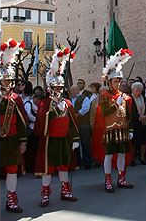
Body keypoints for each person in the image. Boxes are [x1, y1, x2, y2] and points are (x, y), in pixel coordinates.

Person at [34, 47, 81, 207]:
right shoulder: (45, 103)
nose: (59, 90)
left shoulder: (67, 103)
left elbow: (74, 123)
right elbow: (40, 123)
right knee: (47, 169)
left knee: (63, 166)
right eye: (56, 88)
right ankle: (45, 193)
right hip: (49, 141)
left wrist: (75, 139)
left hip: (64, 140)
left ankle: (65, 191)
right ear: (50, 88)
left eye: (60, 88)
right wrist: (54, 110)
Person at [90, 49, 135, 192]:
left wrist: (131, 129)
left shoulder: (124, 97)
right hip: (110, 130)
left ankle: (121, 178)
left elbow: (128, 115)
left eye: (119, 81)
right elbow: (104, 112)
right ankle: (108, 179)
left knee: (122, 154)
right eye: (116, 81)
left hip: (123, 129)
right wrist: (116, 103)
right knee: (108, 155)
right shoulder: (104, 97)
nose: (118, 84)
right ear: (110, 82)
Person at [0, 39, 28, 213]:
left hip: (11, 140)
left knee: (12, 170)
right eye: (5, 80)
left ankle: (11, 200)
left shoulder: (16, 99)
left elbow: (23, 122)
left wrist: (23, 141)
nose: (8, 82)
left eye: (10, 79)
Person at [69, 84, 94, 170]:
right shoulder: (69, 100)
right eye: (71, 91)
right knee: (75, 144)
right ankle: (78, 163)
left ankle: (87, 163)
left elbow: (85, 108)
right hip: (73, 125)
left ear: (78, 90)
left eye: (74, 90)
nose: (72, 92)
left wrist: (77, 114)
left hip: (83, 124)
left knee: (85, 144)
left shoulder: (84, 98)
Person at [130, 81, 146, 165]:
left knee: (143, 140)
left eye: (139, 88)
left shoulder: (144, 99)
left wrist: (145, 116)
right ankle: (132, 158)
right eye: (136, 88)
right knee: (134, 141)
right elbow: (129, 111)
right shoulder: (130, 99)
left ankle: (142, 158)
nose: (138, 90)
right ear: (132, 90)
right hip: (134, 122)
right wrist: (138, 117)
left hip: (143, 123)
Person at [24, 89, 43, 173]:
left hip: (39, 129)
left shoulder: (40, 105)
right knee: (31, 149)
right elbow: (29, 115)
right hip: (31, 129)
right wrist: (38, 120)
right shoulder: (28, 104)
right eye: (38, 99)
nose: (39, 101)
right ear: (35, 98)